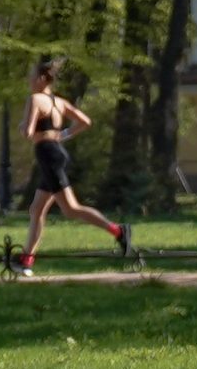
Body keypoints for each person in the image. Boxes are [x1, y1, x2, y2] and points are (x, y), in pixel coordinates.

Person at [15, 56, 133, 276]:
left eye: (31, 77)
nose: (29, 81)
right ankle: (27, 260)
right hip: (56, 152)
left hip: (47, 154)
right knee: (36, 209)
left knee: (70, 209)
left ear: (42, 79)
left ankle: (118, 230)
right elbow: (85, 122)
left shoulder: (35, 99)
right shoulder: (59, 102)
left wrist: (22, 127)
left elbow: (29, 133)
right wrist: (63, 134)